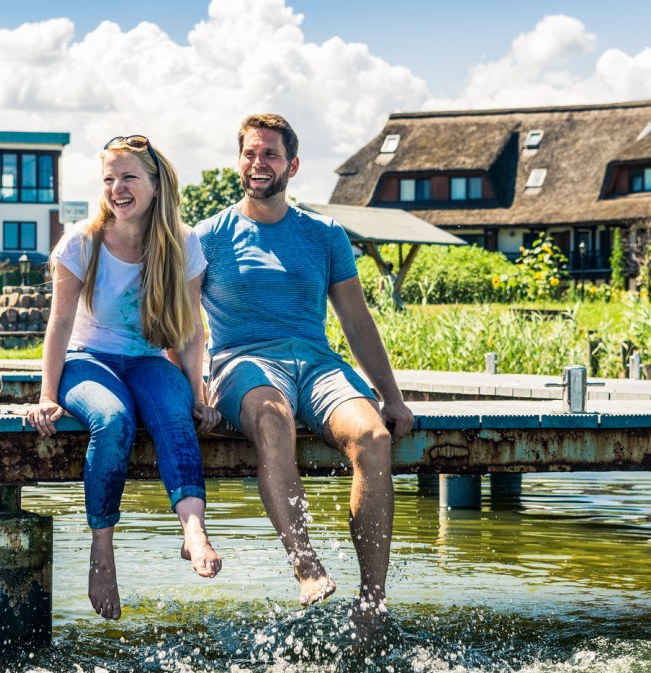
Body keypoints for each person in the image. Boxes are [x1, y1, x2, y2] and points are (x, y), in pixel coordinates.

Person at [195, 113, 415, 631]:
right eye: (250, 153)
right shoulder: (207, 237)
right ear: (239, 161)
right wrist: (194, 392)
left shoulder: (324, 235)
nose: (258, 163)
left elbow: (357, 322)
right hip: (243, 363)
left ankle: (371, 600)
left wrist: (393, 396)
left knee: (373, 438)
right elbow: (183, 327)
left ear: (291, 164)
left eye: (270, 154)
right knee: (272, 418)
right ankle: (304, 560)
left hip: (315, 363)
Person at [26, 135, 222, 621]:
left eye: (129, 177)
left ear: (155, 185)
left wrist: (197, 394)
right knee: (112, 419)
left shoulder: (183, 241)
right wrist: (48, 395)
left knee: (175, 416)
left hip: (148, 361)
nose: (117, 188)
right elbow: (60, 325)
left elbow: (192, 330)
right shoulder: (82, 242)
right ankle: (102, 551)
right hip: (88, 360)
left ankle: (193, 529)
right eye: (109, 179)